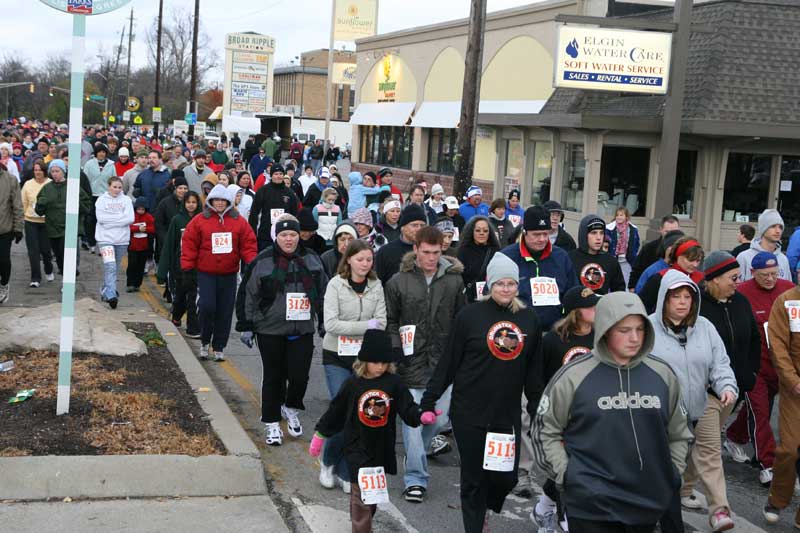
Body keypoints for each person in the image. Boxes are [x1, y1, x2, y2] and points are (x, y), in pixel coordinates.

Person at [534, 291, 692, 532]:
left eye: (640, 329)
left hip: (646, 502)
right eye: (624, 330)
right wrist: (567, 476)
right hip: (590, 506)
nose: (634, 338)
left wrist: (671, 473)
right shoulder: (573, 376)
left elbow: (680, 431)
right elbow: (545, 430)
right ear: (606, 329)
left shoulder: (662, 374)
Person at [421, 252, 541, 532]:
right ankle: (474, 525)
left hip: (505, 412)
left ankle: (487, 505)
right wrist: (429, 399)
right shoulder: (470, 316)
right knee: (473, 479)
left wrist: (537, 406)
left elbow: (534, 371)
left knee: (505, 477)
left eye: (511, 283)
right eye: (500, 283)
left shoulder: (528, 319)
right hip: (469, 411)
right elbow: (449, 362)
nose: (506, 289)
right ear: (490, 284)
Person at [309, 330, 431, 533]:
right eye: (376, 362)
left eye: (384, 363)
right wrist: (320, 435)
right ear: (364, 361)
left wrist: (420, 415)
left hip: (380, 448)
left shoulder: (394, 383)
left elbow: (407, 407)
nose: (380, 367)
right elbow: (336, 411)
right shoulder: (353, 383)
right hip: (357, 446)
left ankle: (363, 523)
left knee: (371, 499)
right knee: (360, 499)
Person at [649, 270, 738, 532]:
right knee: (664, 463)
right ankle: (653, 507)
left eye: (687, 296)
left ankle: (719, 510)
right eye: (676, 296)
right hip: (663, 410)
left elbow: (720, 364)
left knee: (710, 455)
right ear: (664, 298)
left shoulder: (705, 328)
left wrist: (726, 386)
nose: (682, 302)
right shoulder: (646, 327)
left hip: (703, 402)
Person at [385, 226, 464, 503]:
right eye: (427, 252)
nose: (432, 257)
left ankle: (416, 450)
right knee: (413, 422)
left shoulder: (454, 281)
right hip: (411, 362)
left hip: (443, 363)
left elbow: (460, 321)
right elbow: (391, 320)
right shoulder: (398, 281)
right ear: (415, 249)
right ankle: (415, 479)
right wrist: (396, 349)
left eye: (437, 252)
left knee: (440, 419)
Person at [236, 216, 327, 445]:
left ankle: (291, 407)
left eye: (293, 235)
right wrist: (246, 325)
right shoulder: (263, 260)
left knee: (299, 376)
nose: (289, 239)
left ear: (300, 236)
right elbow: (248, 293)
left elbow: (325, 292)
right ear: (276, 236)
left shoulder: (312, 259)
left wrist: (325, 320)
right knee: (274, 377)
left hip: (302, 328)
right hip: (270, 329)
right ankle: (271, 422)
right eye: (284, 235)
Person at [317, 239, 387, 493]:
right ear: (348, 260)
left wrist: (368, 327)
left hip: (363, 359)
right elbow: (331, 324)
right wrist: (365, 327)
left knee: (360, 413)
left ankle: (346, 471)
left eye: (369, 260)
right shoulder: (335, 285)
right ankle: (327, 461)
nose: (365, 264)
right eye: (360, 259)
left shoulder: (376, 285)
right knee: (343, 409)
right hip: (336, 355)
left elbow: (381, 321)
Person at [533, 286, 599, 528]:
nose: (596, 309)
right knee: (565, 466)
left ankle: (544, 507)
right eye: (590, 306)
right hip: (560, 415)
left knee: (582, 466)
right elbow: (540, 378)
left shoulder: (602, 337)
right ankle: (564, 517)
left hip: (592, 414)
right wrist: (541, 412)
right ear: (575, 312)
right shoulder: (553, 340)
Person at [726, 252, 794, 486]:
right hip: (755, 366)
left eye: (774, 274)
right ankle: (769, 464)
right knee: (760, 412)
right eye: (764, 275)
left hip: (782, 366)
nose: (770, 279)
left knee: (756, 411)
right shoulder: (742, 293)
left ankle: (734, 436)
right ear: (753, 273)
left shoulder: (789, 290)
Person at [182, 184, 258, 362]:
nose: (219, 203)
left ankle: (219, 346)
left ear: (228, 201)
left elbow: (248, 244)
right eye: (216, 200)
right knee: (207, 307)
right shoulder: (200, 220)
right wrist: (187, 267)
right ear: (210, 201)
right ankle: (204, 340)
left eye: (223, 200)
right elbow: (189, 244)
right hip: (206, 273)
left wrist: (252, 263)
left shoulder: (239, 221)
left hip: (229, 274)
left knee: (224, 311)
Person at [500, 205, 579, 331]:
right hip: (517, 331)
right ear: (524, 232)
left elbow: (573, 295)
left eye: (545, 234)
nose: (542, 239)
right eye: (536, 234)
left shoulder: (561, 257)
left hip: (554, 332)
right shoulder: (506, 257)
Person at [762, 275, 800, 526]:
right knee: (790, 448)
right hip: (795, 389)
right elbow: (777, 346)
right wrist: (793, 380)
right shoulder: (786, 302)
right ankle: (777, 498)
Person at [34, 159, 91, 278]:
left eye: (57, 171)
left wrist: (77, 202)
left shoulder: (73, 186)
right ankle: (66, 275)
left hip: (69, 228)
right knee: (59, 256)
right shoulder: (47, 188)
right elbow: (39, 211)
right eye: (52, 171)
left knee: (67, 254)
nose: (55, 174)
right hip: (53, 228)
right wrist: (41, 204)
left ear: (63, 172)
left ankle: (70, 276)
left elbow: (87, 206)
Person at [157, 191, 201, 336]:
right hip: (180, 265)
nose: (191, 205)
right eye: (188, 202)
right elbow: (170, 245)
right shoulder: (177, 220)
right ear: (184, 203)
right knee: (181, 295)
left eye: (194, 202)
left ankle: (193, 328)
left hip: (198, 265)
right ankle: (176, 316)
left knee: (193, 297)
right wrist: (162, 271)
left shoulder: (203, 219)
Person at [94, 176, 135, 309]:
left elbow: (130, 219)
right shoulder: (101, 200)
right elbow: (101, 219)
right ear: (109, 186)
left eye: (119, 187)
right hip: (105, 239)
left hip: (122, 240)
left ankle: (105, 290)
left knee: (115, 268)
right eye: (114, 187)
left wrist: (111, 220)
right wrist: (119, 219)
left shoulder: (126, 200)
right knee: (110, 266)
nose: (117, 190)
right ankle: (111, 295)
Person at [639, 236, 705, 314]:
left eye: (698, 261)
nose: (695, 265)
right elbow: (643, 306)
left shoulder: (702, 280)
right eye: (691, 260)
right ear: (678, 256)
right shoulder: (659, 278)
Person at [569, 213, 626, 294]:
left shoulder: (611, 261)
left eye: (601, 233)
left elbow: (619, 292)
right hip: (577, 305)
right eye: (594, 233)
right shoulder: (570, 258)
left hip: (602, 305)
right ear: (584, 234)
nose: (598, 237)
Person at [249, 164, 300, 251]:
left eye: (280, 174)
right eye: (276, 174)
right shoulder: (263, 191)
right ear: (271, 175)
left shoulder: (289, 193)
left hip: (284, 233)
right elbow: (254, 213)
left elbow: (294, 214)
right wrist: (253, 232)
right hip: (265, 234)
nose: (278, 176)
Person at [374, 203, 428, 285]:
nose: (419, 229)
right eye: (414, 225)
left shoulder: (430, 251)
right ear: (403, 227)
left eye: (422, 225)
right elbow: (377, 283)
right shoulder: (386, 252)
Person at [20, 159, 53, 287]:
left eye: (40, 170)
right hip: (31, 221)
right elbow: (23, 202)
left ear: (45, 171)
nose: (38, 172)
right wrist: (22, 217)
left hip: (46, 222)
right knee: (33, 251)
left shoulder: (50, 183)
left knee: (45, 250)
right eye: (35, 170)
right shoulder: (28, 184)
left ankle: (49, 269)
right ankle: (35, 278)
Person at [737, 209, 791, 282]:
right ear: (763, 229)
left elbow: (788, 288)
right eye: (773, 226)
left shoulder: (783, 259)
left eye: (780, 227)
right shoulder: (744, 257)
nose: (778, 231)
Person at [629, 215, 681, 290]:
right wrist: (632, 288)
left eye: (674, 232)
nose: (671, 235)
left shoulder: (685, 251)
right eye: (667, 232)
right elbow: (637, 270)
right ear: (661, 230)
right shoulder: (648, 248)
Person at [457, 215, 500, 303]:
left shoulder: (496, 252)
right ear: (471, 232)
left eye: (485, 231)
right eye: (477, 230)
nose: (481, 233)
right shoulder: (463, 251)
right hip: (469, 298)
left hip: (491, 297)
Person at [84, 143, 117, 251]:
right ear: (96, 153)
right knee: (91, 220)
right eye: (99, 152)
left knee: (104, 220)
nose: (101, 154)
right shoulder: (89, 164)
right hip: (92, 195)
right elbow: (85, 180)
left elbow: (114, 180)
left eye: (103, 152)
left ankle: (103, 242)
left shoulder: (111, 165)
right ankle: (91, 242)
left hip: (105, 196)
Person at [635, 229, 685, 294]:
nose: (676, 250)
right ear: (666, 248)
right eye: (673, 246)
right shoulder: (653, 271)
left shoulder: (687, 270)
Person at [0, 162, 23, 303]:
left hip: (4, 229)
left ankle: (3, 284)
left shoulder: (10, 180)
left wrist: (18, 228)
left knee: (3, 259)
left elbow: (17, 206)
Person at [605, 206, 640, 286]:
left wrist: (633, 253)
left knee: (626, 281)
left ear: (626, 217)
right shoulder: (609, 229)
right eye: (617, 215)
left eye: (621, 215)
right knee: (613, 281)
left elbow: (637, 243)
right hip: (613, 258)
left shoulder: (633, 229)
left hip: (627, 260)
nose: (619, 217)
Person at [127, 198, 154, 293]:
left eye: (143, 209)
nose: (140, 211)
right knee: (132, 265)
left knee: (140, 266)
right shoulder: (132, 216)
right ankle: (130, 284)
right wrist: (138, 228)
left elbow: (153, 228)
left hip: (144, 247)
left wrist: (145, 229)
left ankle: (137, 284)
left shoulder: (149, 217)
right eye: (139, 209)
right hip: (133, 247)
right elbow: (128, 227)